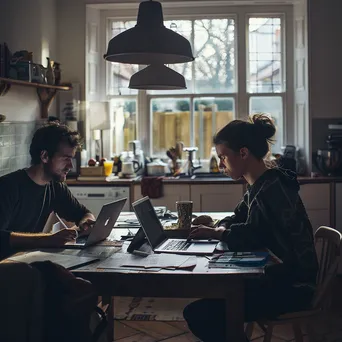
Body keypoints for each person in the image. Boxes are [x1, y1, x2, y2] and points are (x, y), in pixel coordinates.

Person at [183, 114, 319, 342]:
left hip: (294, 287)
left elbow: (252, 237)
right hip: (278, 278)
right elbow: (238, 218)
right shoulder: (261, 184)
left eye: (223, 157)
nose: (220, 165)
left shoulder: (273, 188)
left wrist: (217, 232)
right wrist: (220, 226)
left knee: (200, 313)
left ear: (243, 153)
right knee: (216, 301)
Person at [0, 122, 96, 259]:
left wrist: (86, 223)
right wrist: (47, 239)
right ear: (44, 156)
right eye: (65, 159)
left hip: (26, 260)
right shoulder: (7, 187)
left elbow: (84, 214)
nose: (70, 166)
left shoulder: (55, 186)